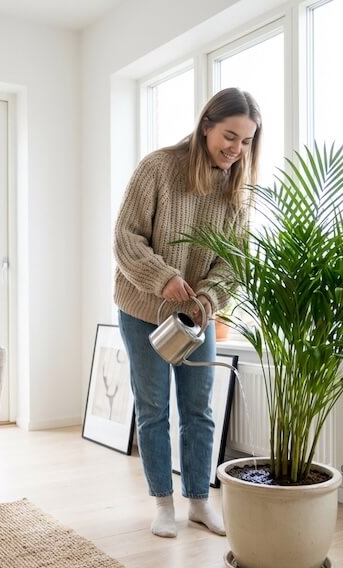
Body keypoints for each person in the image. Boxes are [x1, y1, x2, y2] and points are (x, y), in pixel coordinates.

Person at [113, 88, 261, 538]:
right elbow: (126, 238)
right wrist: (162, 277)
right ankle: (163, 504)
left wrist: (207, 300)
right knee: (153, 408)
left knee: (198, 410)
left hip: (197, 318)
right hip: (143, 310)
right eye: (229, 136)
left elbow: (235, 261)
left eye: (246, 141)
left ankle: (198, 501)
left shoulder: (236, 190)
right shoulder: (157, 168)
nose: (235, 149)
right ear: (206, 126)